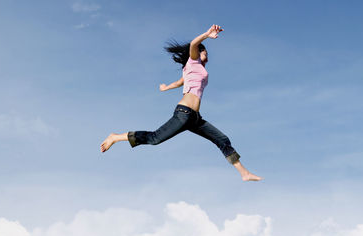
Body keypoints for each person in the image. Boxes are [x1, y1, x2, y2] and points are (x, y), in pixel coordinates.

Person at [100, 24, 262, 181]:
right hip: (183, 114)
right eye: (203, 50)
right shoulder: (193, 62)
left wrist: (165, 88)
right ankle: (115, 137)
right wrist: (207, 35)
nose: (206, 53)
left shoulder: (193, 69)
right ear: (198, 52)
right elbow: (193, 43)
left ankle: (244, 173)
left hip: (195, 118)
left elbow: (179, 82)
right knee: (154, 138)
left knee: (222, 139)